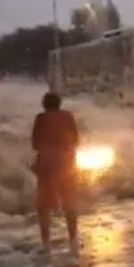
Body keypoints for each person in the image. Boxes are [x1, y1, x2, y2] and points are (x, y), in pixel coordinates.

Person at [31, 92, 80, 255]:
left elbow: (35, 143)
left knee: (43, 205)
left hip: (47, 164)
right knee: (69, 201)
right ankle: (73, 240)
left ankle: (46, 244)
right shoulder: (68, 117)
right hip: (67, 161)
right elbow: (75, 140)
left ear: (44, 104)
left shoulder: (41, 118)